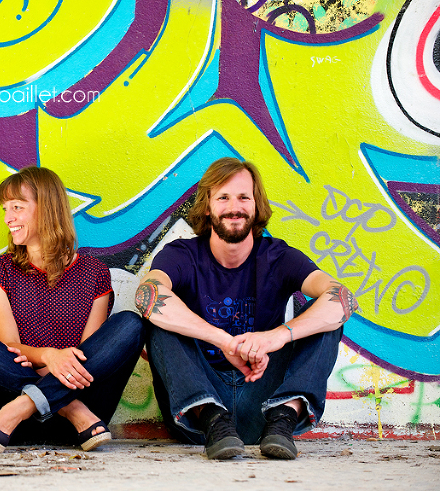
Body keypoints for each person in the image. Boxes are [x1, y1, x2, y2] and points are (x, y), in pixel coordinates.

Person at [136, 157, 358, 460]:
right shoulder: (182, 255)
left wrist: (276, 336)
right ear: (207, 206)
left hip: (265, 405)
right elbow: (147, 295)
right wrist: (223, 340)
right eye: (223, 197)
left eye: (243, 197)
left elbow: (343, 298)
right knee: (157, 319)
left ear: (256, 206)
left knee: (328, 317)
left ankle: (284, 419)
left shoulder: (279, 257)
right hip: (200, 417)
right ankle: (214, 417)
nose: (234, 206)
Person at [0, 166, 145, 452]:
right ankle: (69, 408)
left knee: (130, 324)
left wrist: (52, 364)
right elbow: (6, 349)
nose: (8, 218)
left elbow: (86, 359)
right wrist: (50, 356)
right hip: (18, 419)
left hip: (45, 421)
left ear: (47, 208)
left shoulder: (94, 273)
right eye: (5, 209)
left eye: (17, 207)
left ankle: (30, 404)